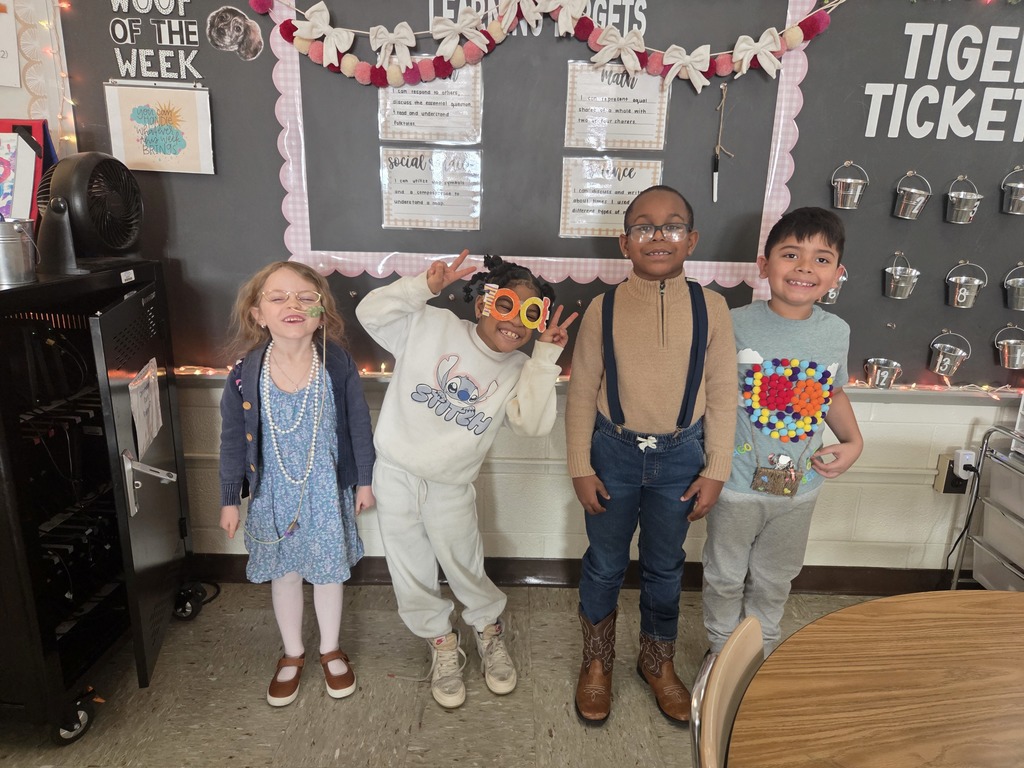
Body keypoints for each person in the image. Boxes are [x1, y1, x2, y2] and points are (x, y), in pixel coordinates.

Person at [355, 250, 577, 710]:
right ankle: (440, 640)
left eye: (530, 315)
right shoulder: (429, 325)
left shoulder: (519, 368)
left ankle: (488, 630)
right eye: (507, 306)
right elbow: (368, 313)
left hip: (451, 484)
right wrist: (422, 288)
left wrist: (545, 357)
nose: (515, 322)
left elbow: (533, 425)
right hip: (394, 472)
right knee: (409, 567)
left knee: (463, 562)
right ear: (483, 303)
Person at [565, 185, 737, 726]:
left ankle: (656, 659)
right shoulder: (603, 307)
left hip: (681, 459)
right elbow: (582, 388)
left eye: (671, 226)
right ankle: (597, 661)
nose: (657, 235)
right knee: (606, 562)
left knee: (665, 566)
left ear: (691, 240)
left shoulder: (712, 309)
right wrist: (580, 464)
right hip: (611, 453)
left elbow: (724, 391)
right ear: (624, 242)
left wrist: (716, 468)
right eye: (643, 226)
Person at [702, 206, 863, 658]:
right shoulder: (733, 323)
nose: (805, 267)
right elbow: (707, 395)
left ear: (837, 274)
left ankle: (760, 655)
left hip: (800, 488)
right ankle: (720, 655)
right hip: (734, 483)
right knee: (725, 575)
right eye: (791, 254)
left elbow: (831, 392)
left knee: (776, 577)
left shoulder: (836, 332)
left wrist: (854, 441)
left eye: (821, 259)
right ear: (764, 265)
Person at [219, 260, 376, 707]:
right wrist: (230, 500)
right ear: (257, 313)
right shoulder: (244, 374)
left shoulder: (337, 362)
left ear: (322, 312)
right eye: (277, 297)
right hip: (274, 494)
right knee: (284, 576)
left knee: (328, 574)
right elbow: (232, 440)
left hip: (326, 491)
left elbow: (359, 425)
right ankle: (292, 653)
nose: (293, 305)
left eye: (306, 298)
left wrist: (364, 480)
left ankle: (330, 648)